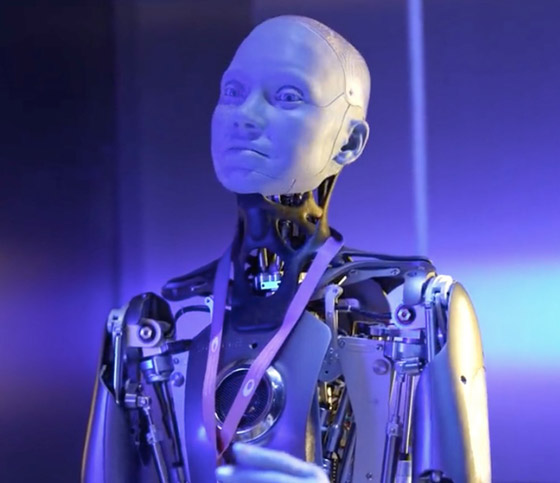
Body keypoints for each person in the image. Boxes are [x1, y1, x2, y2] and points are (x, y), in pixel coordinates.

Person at [83, 15, 491, 483]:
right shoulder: (147, 327)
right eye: (232, 92)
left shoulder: (421, 310)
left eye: (287, 97)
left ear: (350, 141)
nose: (244, 115)